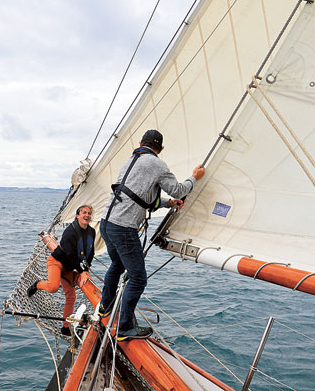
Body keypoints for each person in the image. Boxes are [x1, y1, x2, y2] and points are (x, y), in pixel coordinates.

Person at [98, 129, 205, 341]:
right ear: (160, 149)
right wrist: (195, 177)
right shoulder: (156, 164)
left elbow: (137, 196)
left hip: (106, 223)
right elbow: (178, 189)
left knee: (117, 266)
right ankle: (124, 328)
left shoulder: (130, 161)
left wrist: (168, 203)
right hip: (123, 228)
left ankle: (104, 307)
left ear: (141, 143)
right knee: (138, 279)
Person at [28, 205, 96, 336]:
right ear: (77, 216)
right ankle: (37, 284)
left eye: (89, 213)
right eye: (84, 213)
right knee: (53, 287)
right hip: (57, 263)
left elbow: (90, 252)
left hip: (70, 268)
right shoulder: (69, 232)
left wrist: (86, 269)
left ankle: (65, 327)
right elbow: (70, 255)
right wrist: (81, 272)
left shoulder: (91, 232)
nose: (87, 215)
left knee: (71, 296)